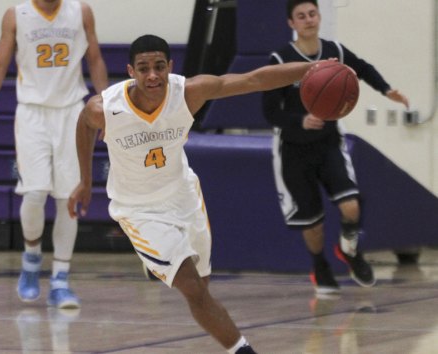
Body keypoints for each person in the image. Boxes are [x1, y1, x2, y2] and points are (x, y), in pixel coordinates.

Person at [67, 34, 317, 354]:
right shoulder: (105, 108)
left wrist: (314, 67)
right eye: (144, 68)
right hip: (139, 210)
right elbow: (83, 125)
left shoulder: (189, 93)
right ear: (131, 71)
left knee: (203, 287)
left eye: (159, 66)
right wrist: (85, 182)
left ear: (170, 66)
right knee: (193, 289)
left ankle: (159, 262)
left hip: (184, 195)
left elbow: (253, 79)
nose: (153, 75)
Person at [262, 0, 409, 295]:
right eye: (301, 16)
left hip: (328, 143)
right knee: (312, 224)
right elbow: (269, 112)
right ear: (291, 23)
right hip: (293, 149)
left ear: (319, 17)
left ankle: (349, 250)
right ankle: (320, 265)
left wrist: (385, 89)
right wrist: (300, 121)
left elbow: (363, 68)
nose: (308, 20)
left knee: (350, 205)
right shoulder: (280, 59)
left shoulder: (335, 52)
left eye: (312, 14)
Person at [0, 0, 108, 309]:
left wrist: (105, 104)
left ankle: (60, 278)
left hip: (72, 111)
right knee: (34, 194)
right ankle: (31, 257)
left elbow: (95, 59)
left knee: (68, 199)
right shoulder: (16, 15)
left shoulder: (81, 11)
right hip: (32, 112)